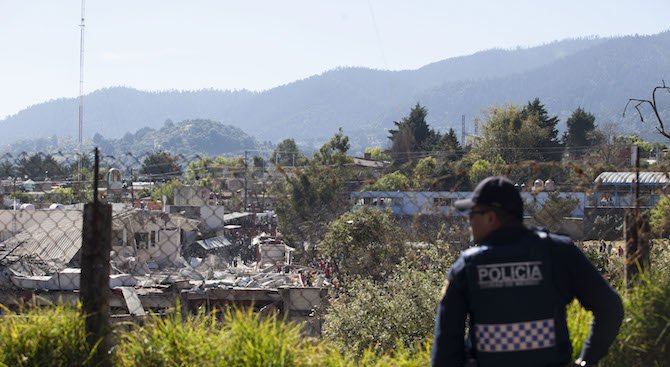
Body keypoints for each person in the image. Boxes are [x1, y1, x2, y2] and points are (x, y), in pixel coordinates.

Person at [431, 176, 623, 367]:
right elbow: (610, 307)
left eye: (472, 215)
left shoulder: (468, 266)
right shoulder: (559, 252)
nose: (469, 222)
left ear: (491, 217)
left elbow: (446, 346)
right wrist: (587, 360)